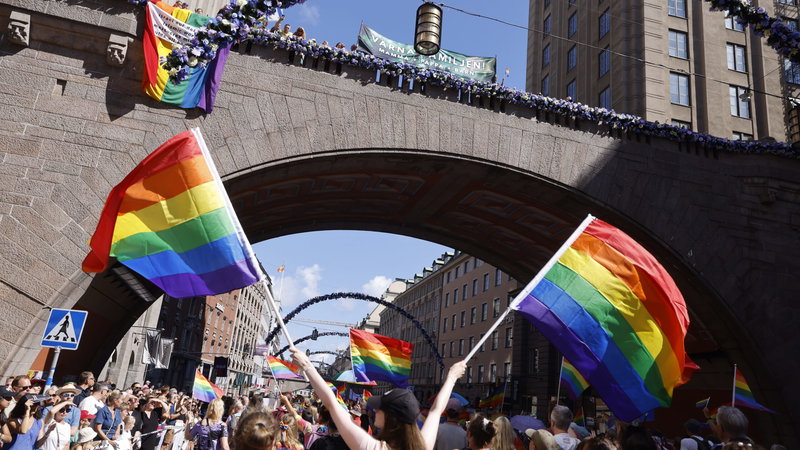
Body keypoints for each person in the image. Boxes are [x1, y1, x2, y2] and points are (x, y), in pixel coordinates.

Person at [291, 346, 466, 450]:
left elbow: (332, 403)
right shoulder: (423, 446)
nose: (374, 410)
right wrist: (451, 377)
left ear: (391, 418)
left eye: (380, 408)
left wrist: (307, 365)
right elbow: (435, 412)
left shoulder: (374, 448)